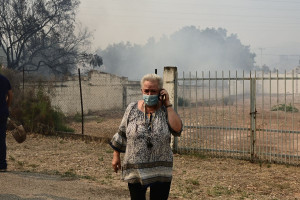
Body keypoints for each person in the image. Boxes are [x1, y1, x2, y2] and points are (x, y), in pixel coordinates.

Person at [110, 74, 182, 200]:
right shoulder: (131, 108)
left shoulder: (166, 110)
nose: (149, 94)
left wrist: (168, 104)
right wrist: (116, 156)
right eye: (146, 91)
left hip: (160, 170)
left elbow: (177, 130)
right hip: (136, 169)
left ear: (161, 92)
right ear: (141, 91)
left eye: (153, 91)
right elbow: (122, 132)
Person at [0, 72, 13, 172]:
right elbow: (10, 94)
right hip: (3, 112)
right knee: (2, 138)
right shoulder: (5, 79)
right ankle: (2, 164)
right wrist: (6, 106)